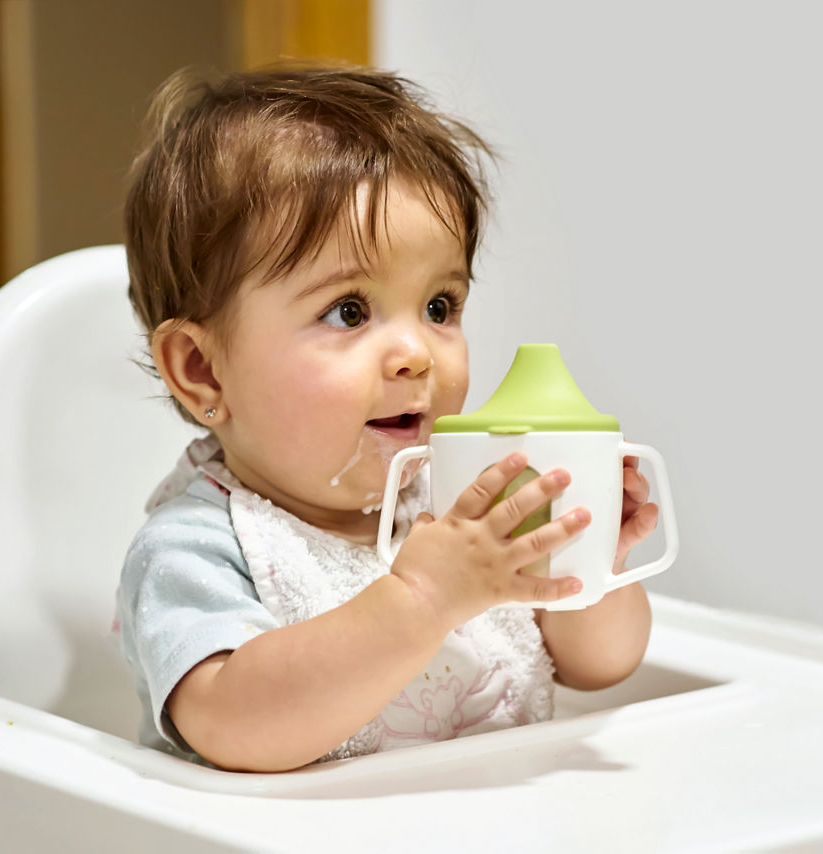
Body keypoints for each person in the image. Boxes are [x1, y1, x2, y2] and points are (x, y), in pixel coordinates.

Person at [116, 66, 659, 773]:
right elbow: (235, 723)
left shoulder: (457, 505)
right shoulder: (195, 551)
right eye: (348, 310)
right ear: (202, 370)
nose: (414, 353)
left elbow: (602, 665)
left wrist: (589, 566)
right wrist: (421, 600)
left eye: (440, 307)